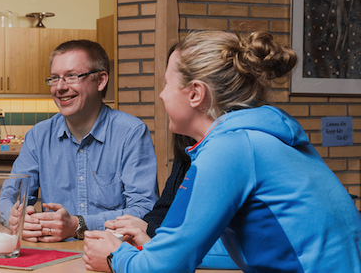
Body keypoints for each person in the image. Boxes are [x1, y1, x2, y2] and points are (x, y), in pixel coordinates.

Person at [84, 30, 361, 272]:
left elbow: (163, 270)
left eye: (167, 84)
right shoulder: (260, 137)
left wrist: (114, 256)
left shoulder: (229, 150)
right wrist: (157, 247)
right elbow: (256, 248)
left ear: (195, 93)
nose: (161, 95)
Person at [0, 39, 158, 243]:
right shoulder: (38, 136)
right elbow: (8, 197)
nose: (60, 87)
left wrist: (78, 225)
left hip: (112, 255)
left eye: (71, 76)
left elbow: (144, 210)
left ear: (101, 80)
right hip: (53, 257)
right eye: (54, 78)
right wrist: (14, 217)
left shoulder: (131, 133)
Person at [105, 134, 238, 270]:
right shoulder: (188, 145)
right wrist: (147, 231)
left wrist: (152, 240)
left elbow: (207, 236)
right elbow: (166, 208)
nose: (166, 111)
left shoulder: (230, 147)